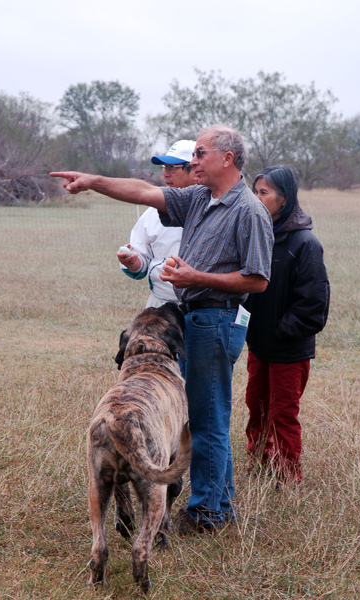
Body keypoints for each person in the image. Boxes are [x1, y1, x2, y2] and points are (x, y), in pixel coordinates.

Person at [50, 124, 274, 532]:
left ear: (227, 159)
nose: (193, 161)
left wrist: (196, 277)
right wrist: (94, 182)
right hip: (196, 318)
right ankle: (217, 503)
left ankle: (209, 514)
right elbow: (143, 191)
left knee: (206, 419)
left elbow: (257, 280)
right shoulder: (201, 198)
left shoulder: (249, 210)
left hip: (216, 318)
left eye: (200, 153)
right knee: (202, 415)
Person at [244, 165, 330, 485]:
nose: (257, 198)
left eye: (263, 193)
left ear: (284, 199)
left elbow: (313, 307)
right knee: (256, 406)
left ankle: (286, 476)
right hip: (259, 346)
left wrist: (280, 333)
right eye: (255, 192)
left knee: (282, 414)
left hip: (288, 350)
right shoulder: (256, 235)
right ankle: (259, 462)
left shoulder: (305, 244)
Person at [117, 139, 196, 308]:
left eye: (173, 167)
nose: (166, 173)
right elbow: (141, 262)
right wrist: (132, 262)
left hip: (203, 309)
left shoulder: (216, 209)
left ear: (196, 169)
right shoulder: (154, 212)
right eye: (164, 168)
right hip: (160, 306)